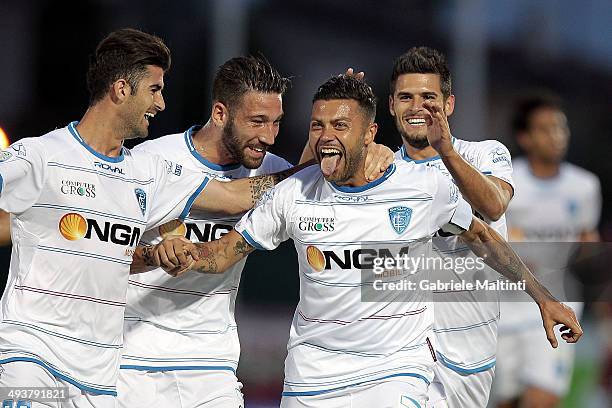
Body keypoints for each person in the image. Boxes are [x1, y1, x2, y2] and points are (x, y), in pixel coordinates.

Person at [149, 75, 581, 408]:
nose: (326, 136)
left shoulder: (423, 188)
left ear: (370, 133)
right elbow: (224, 253)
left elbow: (483, 238)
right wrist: (178, 252)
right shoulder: (293, 194)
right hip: (311, 374)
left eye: (340, 125)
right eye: (317, 126)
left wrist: (543, 299)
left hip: (394, 372)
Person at [0, 29, 301, 407]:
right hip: (44, 358)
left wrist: (318, 164)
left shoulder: (146, 174)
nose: (160, 104)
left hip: (105, 375)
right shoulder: (43, 156)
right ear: (122, 89)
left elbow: (232, 196)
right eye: (154, 90)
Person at [119, 56, 394, 408]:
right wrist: (154, 256)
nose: (268, 136)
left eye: (276, 123)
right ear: (220, 114)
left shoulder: (274, 171)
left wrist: (371, 147)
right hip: (134, 358)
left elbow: (320, 178)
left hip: (211, 362)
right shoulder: (149, 161)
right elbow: (108, 254)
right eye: (257, 121)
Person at [389, 46, 515, 407]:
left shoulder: (486, 153)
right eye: (406, 97)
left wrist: (446, 152)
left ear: (449, 105)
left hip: (467, 353)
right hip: (400, 347)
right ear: (392, 105)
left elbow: (493, 205)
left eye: (429, 97)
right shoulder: (380, 171)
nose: (416, 107)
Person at [493, 93, 602, 408]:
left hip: (560, 307)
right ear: (524, 137)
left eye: (560, 128)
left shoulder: (584, 187)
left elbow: (586, 239)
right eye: (545, 128)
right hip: (506, 312)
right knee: (508, 403)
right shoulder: (506, 182)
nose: (556, 136)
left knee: (542, 400)